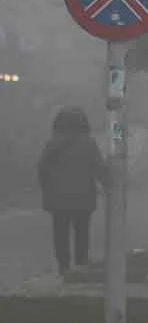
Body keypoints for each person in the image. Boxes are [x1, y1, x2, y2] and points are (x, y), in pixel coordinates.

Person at [37, 107, 110, 276]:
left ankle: (63, 265)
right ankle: (81, 262)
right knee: (82, 232)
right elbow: (99, 168)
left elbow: (42, 169)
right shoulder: (89, 144)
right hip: (82, 197)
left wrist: (47, 189)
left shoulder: (52, 144)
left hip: (58, 198)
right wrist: (109, 185)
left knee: (60, 233)